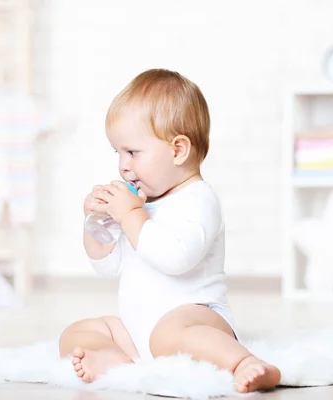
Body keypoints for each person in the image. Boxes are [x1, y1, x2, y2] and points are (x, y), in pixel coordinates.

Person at [58, 69, 281, 393]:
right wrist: (96, 225)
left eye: (132, 152)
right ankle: (116, 360)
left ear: (178, 150)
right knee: (79, 331)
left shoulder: (199, 200)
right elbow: (108, 267)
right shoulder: (142, 204)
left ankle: (241, 361)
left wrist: (131, 214)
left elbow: (175, 258)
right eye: (117, 153)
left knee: (170, 333)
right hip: (140, 334)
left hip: (196, 321)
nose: (123, 165)